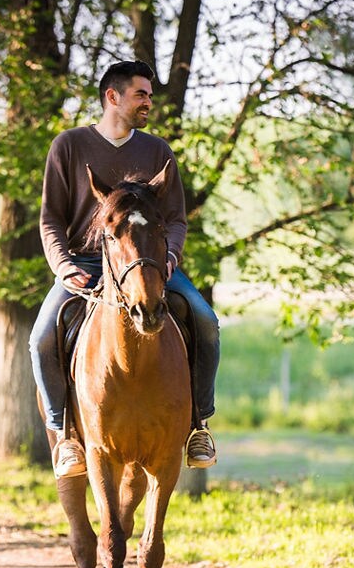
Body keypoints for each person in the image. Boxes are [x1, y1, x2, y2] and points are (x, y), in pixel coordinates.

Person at [30, 60, 220, 478]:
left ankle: (199, 425)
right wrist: (62, 267)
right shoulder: (68, 146)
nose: (149, 101)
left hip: (150, 264)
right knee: (42, 338)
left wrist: (169, 257)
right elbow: (50, 220)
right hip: (84, 263)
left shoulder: (158, 151)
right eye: (141, 94)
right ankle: (65, 436)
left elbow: (175, 220)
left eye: (149, 95)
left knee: (205, 320)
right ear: (112, 97)